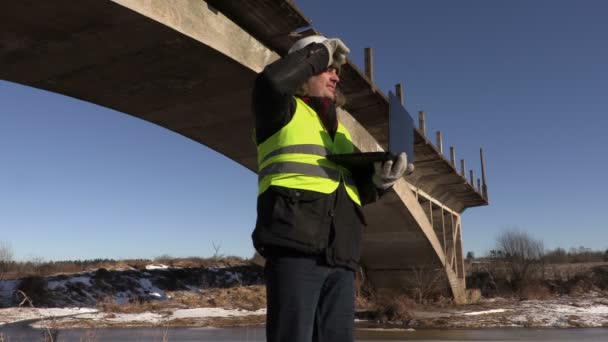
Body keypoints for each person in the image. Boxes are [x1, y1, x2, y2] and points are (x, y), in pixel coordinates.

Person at [251, 35, 414, 342]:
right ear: (303, 69)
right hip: (295, 251)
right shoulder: (280, 112)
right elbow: (271, 83)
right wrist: (320, 50)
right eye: (327, 68)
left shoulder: (339, 133)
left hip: (341, 258)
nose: (336, 76)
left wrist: (379, 184)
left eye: (335, 70)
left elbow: (349, 194)